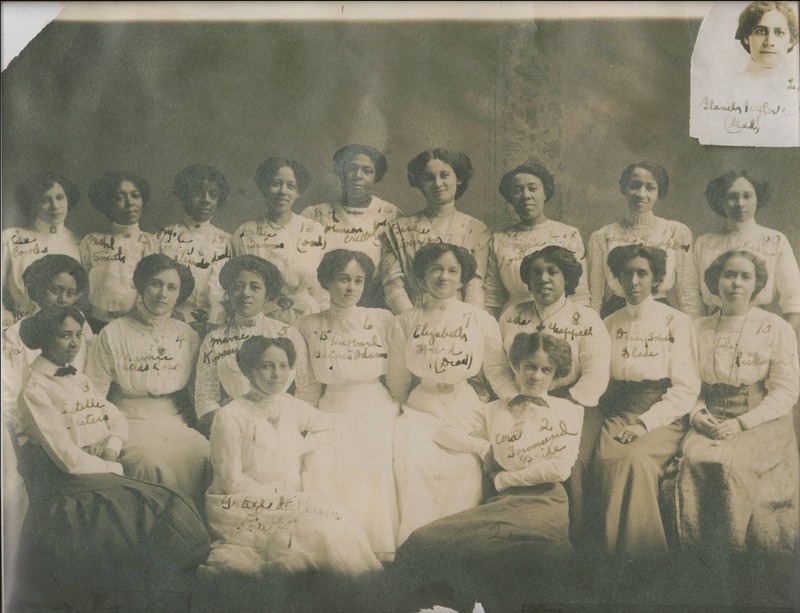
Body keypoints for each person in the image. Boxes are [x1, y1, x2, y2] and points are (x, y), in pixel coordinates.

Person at [12, 306, 210, 604]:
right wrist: (112, 468)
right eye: (65, 336)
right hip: (71, 488)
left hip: (98, 469)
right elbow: (67, 458)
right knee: (159, 507)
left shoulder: (76, 377)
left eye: (78, 335)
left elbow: (115, 418)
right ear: (44, 338)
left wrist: (111, 447)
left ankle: (165, 594)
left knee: (171, 503)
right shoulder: (35, 389)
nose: (74, 343)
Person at [393, 332, 583, 610]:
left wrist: (504, 479)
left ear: (555, 375)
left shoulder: (569, 411)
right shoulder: (493, 409)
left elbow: (560, 468)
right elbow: (444, 432)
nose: (536, 376)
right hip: (502, 505)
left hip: (545, 505)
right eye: (530, 366)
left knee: (502, 557)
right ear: (517, 365)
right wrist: (483, 448)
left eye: (546, 370)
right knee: (423, 541)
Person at [202, 335, 382, 578]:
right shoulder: (230, 416)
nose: (276, 374)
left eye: (283, 366)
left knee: (339, 523)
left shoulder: (288, 404)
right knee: (311, 538)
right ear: (248, 369)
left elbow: (328, 426)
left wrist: (301, 446)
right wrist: (280, 500)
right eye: (267, 366)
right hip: (241, 505)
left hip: (287, 497)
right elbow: (230, 482)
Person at [665, 250, 799, 562]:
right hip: (711, 416)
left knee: (731, 467)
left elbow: (785, 390)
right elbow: (686, 382)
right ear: (715, 281)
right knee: (692, 463)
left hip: (762, 420)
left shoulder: (775, 327)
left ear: (756, 284)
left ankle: (735, 561)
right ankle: (700, 564)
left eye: (745, 276)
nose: (736, 283)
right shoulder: (697, 328)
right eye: (729, 275)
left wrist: (742, 423)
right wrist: (697, 414)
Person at [484, 245, 610, 545]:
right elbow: (497, 365)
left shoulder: (586, 318)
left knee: (573, 461)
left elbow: (596, 373)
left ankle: (570, 538)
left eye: (552, 272)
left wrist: (560, 405)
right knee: (503, 453)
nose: (544, 279)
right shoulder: (513, 315)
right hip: (519, 399)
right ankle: (509, 533)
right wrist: (516, 398)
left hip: (571, 403)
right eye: (536, 273)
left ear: (567, 278)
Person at [387, 243, 505, 544]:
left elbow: (496, 369)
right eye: (436, 269)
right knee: (412, 461)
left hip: (464, 403)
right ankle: (415, 542)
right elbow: (398, 375)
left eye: (453, 270)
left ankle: (457, 543)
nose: (444, 276)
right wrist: (399, 407)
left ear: (463, 278)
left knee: (464, 465)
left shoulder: (480, 320)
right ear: (422, 275)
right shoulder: (405, 321)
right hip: (421, 406)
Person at [593, 245, 700, 558]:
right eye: (627, 273)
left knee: (635, 459)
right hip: (618, 411)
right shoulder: (609, 323)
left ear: (656, 280)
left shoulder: (676, 321)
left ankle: (644, 561)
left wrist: (645, 423)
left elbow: (686, 387)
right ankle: (608, 559)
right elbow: (602, 380)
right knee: (602, 459)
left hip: (663, 414)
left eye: (643, 273)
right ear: (618, 278)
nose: (634, 281)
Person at [297, 249, 399, 560]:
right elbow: (308, 384)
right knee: (321, 467)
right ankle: (334, 548)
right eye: (343, 279)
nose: (351, 287)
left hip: (376, 407)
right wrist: (303, 424)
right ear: (326, 281)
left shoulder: (381, 319)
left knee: (374, 469)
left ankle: (377, 548)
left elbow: (396, 372)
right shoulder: (307, 325)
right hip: (330, 408)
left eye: (358, 280)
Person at [86, 254, 210, 507]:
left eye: (171, 287)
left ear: (179, 295)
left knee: (203, 451)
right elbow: (94, 390)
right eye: (155, 283)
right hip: (128, 422)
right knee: (149, 461)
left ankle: (193, 531)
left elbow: (197, 391)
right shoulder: (114, 332)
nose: (162, 293)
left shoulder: (187, 335)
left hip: (174, 420)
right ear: (140, 285)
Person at [194, 255, 320, 437]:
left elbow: (308, 388)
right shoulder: (214, 340)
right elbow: (205, 399)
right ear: (228, 293)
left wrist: (288, 427)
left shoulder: (288, 334)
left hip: (281, 428)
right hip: (234, 429)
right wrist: (231, 427)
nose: (246, 293)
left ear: (267, 294)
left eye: (255, 287)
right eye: (238, 286)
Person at [381, 148, 491, 314]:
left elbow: (475, 284)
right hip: (413, 314)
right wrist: (412, 322)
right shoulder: (398, 229)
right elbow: (393, 286)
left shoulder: (477, 229)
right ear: (421, 182)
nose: (438, 183)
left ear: (459, 178)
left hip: (460, 315)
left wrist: (470, 323)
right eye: (429, 178)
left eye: (444, 175)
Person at [588, 162, 702, 319]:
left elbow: (687, 291)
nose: (641, 194)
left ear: (658, 192)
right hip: (615, 314)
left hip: (660, 315)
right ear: (624, 188)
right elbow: (595, 296)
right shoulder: (603, 236)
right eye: (635, 185)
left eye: (650, 188)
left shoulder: (676, 232)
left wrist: (693, 331)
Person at [693, 171, 800, 333]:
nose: (740, 203)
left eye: (747, 196)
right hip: (713, 328)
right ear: (720, 201)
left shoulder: (775, 240)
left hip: (760, 328)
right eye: (732, 197)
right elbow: (694, 295)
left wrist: (783, 338)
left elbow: (794, 297)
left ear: (757, 198)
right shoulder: (705, 243)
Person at [301, 144, 402, 308]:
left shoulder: (391, 215)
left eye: (367, 171)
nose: (358, 176)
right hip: (321, 302)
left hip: (373, 303)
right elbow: (305, 270)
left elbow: (394, 276)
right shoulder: (314, 215)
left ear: (377, 178)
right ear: (340, 173)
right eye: (351, 168)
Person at [232, 157, 328, 324]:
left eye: (291, 186)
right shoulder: (245, 233)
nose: (283, 191)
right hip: (262, 317)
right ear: (265, 188)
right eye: (276, 184)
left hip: (307, 317)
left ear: (298, 192)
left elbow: (320, 288)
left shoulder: (314, 231)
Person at [484, 163, 589, 316]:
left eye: (532, 189)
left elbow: (580, 293)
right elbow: (493, 296)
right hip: (514, 319)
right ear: (510, 199)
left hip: (561, 317)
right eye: (517, 191)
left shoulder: (568, 234)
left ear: (545, 193)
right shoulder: (499, 239)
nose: (526, 196)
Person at [80, 171, 160, 332]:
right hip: (95, 323)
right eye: (119, 197)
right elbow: (81, 287)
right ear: (106, 203)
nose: (130, 203)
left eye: (135, 196)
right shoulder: (91, 241)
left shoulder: (149, 242)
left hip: (135, 324)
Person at [1, 172, 81, 329]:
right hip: (19, 326)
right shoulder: (10, 238)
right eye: (45, 200)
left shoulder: (78, 242)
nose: (55, 206)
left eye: (59, 197)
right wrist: (7, 324)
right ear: (32, 204)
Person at [157, 164, 232, 330]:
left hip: (217, 325)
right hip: (173, 322)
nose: (206, 200)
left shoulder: (228, 241)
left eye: (212, 195)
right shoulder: (165, 237)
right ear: (184, 195)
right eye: (198, 193)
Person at [735, 1, 798, 78]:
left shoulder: (795, 84)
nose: (770, 42)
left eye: (779, 33)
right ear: (746, 37)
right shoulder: (732, 83)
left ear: (791, 40)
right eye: (761, 31)